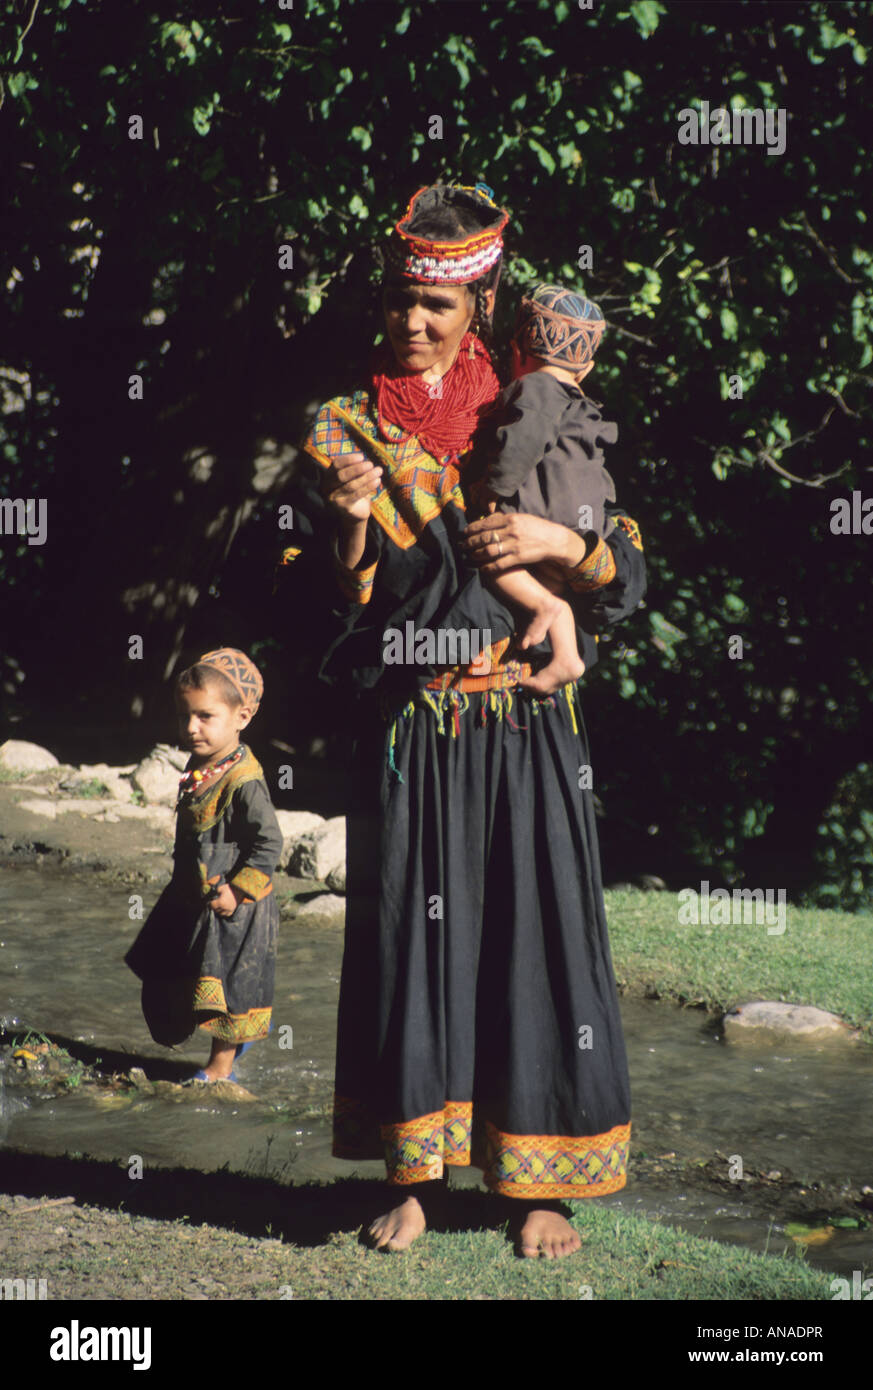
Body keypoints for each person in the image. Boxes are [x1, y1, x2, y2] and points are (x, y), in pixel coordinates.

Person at [284, 182, 646, 1257]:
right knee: (411, 943)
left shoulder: (529, 412)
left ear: (478, 307)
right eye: (400, 301)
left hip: (530, 720)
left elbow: (625, 568)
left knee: (539, 940)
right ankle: (418, 1178)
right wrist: (350, 537)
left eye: (437, 306)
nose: (414, 321)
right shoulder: (343, 431)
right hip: (417, 723)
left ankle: (542, 1180)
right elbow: (306, 603)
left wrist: (560, 550)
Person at [125, 647, 283, 1083]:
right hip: (195, 893)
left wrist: (238, 890)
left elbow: (270, 842)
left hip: (237, 905)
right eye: (184, 716)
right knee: (166, 972)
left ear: (242, 717)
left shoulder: (245, 781)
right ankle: (197, 1039)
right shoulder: (204, 763)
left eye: (205, 717)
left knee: (229, 985)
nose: (191, 728)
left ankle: (219, 1068)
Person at [468, 283, 618, 696]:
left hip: (543, 515)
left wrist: (494, 487)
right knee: (550, 587)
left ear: (517, 352)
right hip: (583, 528)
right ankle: (566, 655)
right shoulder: (580, 405)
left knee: (489, 554)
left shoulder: (534, 390)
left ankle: (544, 608)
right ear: (584, 370)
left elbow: (522, 442)